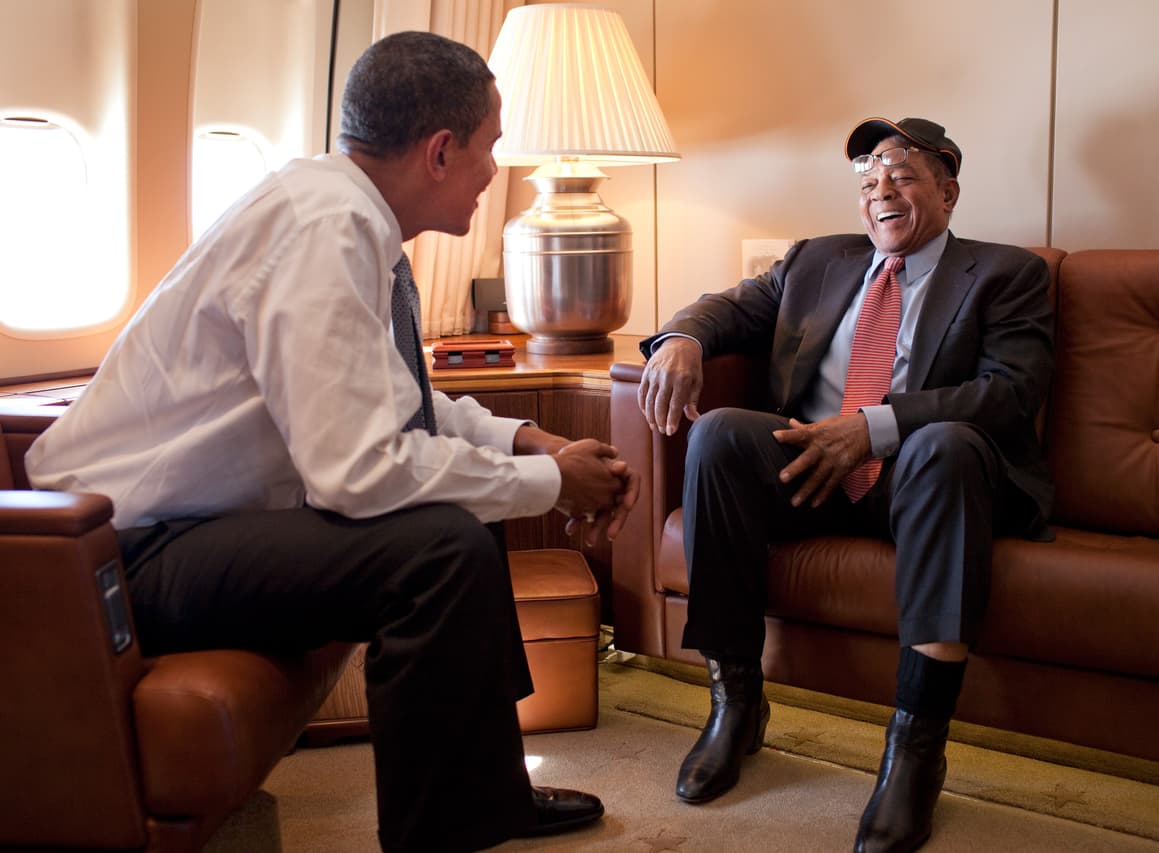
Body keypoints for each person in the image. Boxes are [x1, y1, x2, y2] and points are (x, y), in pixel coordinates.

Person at [26, 31, 637, 853]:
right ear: (440, 151)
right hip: (123, 552)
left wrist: (528, 442)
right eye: (490, 147)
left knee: (465, 502)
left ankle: (489, 792)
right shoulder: (325, 228)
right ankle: (439, 835)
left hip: (181, 528)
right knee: (440, 548)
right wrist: (554, 485)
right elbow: (360, 472)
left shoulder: (342, 214)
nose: (496, 170)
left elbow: (392, 403)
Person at [636, 117, 1054, 852]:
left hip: (923, 482)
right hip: (813, 472)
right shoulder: (817, 260)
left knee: (947, 444)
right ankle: (735, 704)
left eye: (902, 175)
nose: (880, 190)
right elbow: (726, 307)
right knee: (720, 433)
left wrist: (873, 427)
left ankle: (915, 750)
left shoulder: (1005, 273)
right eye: (868, 179)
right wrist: (682, 339)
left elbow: (1009, 394)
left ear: (948, 193)